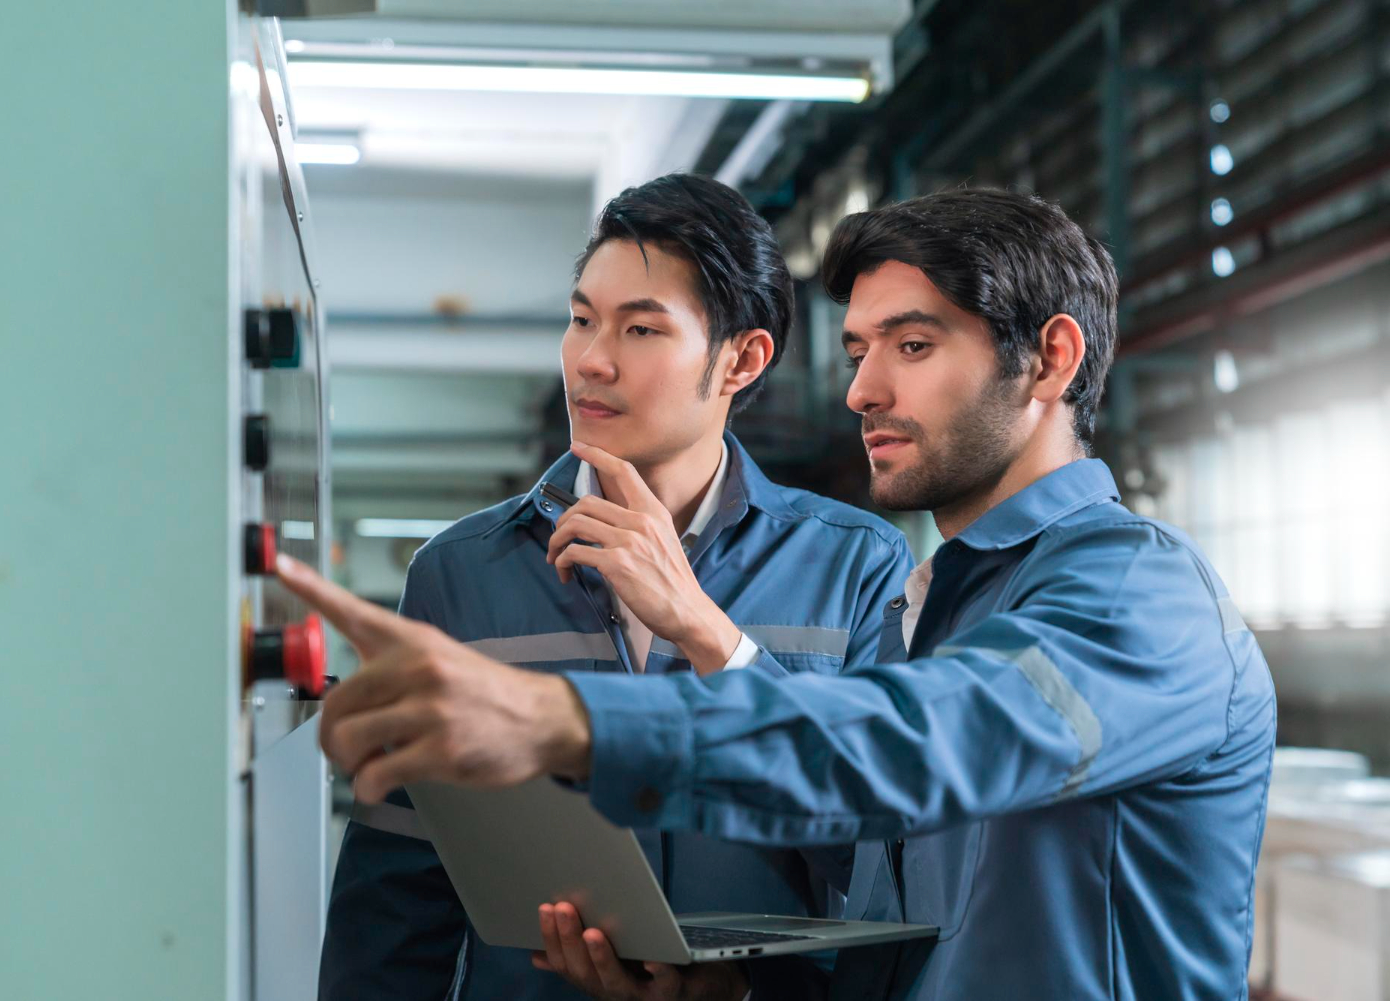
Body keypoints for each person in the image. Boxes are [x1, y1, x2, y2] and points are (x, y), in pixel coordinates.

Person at [282, 188, 1275, 999]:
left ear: (1050, 358)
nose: (862, 391)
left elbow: (915, 744)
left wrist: (566, 717)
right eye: (858, 352)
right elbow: (890, 913)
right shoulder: (949, 607)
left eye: (913, 346)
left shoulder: (1136, 596)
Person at [315, 173, 914, 1001]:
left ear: (741, 358)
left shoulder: (856, 566)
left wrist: (711, 633)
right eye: (581, 318)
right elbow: (392, 898)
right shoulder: (461, 572)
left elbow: (884, 857)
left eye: (640, 328)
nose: (590, 360)